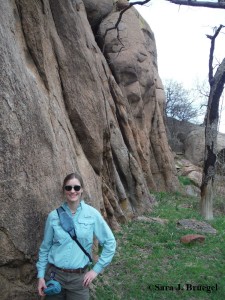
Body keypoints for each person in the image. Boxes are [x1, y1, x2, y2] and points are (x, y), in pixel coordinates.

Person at [36, 172, 116, 299]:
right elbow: (45, 248)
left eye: (76, 187)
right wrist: (41, 276)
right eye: (68, 188)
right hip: (55, 277)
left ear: (82, 189)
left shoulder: (92, 214)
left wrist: (96, 270)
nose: (73, 191)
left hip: (79, 280)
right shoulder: (53, 216)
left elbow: (110, 242)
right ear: (64, 190)